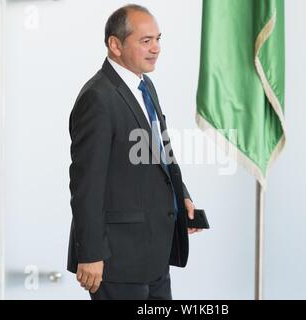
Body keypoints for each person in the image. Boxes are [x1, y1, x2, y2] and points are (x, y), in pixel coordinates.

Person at [66, 4, 201, 300]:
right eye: (145, 41)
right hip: (117, 260)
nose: (156, 48)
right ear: (115, 45)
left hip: (154, 255)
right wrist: (89, 254)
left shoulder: (145, 85)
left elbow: (159, 149)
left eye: (158, 39)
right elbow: (86, 184)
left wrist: (182, 195)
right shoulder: (97, 98)